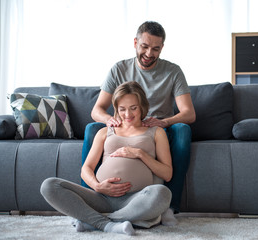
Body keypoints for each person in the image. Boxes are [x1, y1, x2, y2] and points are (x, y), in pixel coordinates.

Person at [82, 21, 196, 220]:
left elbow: (189, 113)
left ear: (162, 48)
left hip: (156, 128)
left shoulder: (173, 71)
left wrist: (165, 122)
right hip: (123, 126)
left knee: (183, 130)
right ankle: (89, 201)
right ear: (135, 42)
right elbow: (97, 110)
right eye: (144, 46)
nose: (149, 53)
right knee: (93, 129)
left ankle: (170, 206)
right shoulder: (118, 69)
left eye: (156, 49)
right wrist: (111, 120)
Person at [41, 81, 175, 235]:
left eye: (134, 108)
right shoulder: (105, 132)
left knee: (162, 194)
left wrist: (139, 153)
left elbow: (167, 173)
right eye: (122, 109)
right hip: (102, 197)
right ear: (116, 109)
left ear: (142, 107)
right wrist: (97, 186)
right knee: (49, 185)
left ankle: (94, 221)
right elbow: (86, 168)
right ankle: (114, 223)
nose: (128, 115)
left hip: (137, 198)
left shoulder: (156, 132)